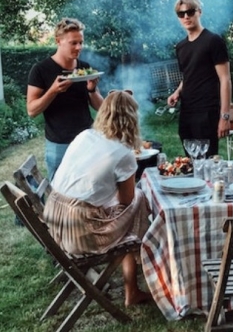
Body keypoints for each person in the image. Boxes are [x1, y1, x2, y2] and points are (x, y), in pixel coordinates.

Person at [42, 90, 151, 307]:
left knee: (129, 209)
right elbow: (126, 201)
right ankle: (136, 283)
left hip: (53, 222)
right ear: (131, 119)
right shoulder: (123, 153)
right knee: (139, 201)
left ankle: (133, 285)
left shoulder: (84, 136)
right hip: (79, 233)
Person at [26, 17, 104, 181]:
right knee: (60, 194)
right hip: (59, 144)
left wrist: (91, 89)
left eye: (81, 42)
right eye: (73, 43)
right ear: (58, 41)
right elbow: (31, 110)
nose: (79, 47)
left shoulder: (84, 68)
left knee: (90, 189)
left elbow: (101, 107)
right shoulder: (41, 70)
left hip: (86, 140)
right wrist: (53, 91)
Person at [167, 0, 232, 157]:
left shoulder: (213, 41)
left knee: (207, 162)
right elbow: (188, 75)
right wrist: (177, 92)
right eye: (181, 14)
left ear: (199, 12)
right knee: (189, 163)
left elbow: (225, 79)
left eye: (190, 12)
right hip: (187, 111)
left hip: (207, 112)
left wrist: (225, 116)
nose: (186, 16)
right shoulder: (181, 47)